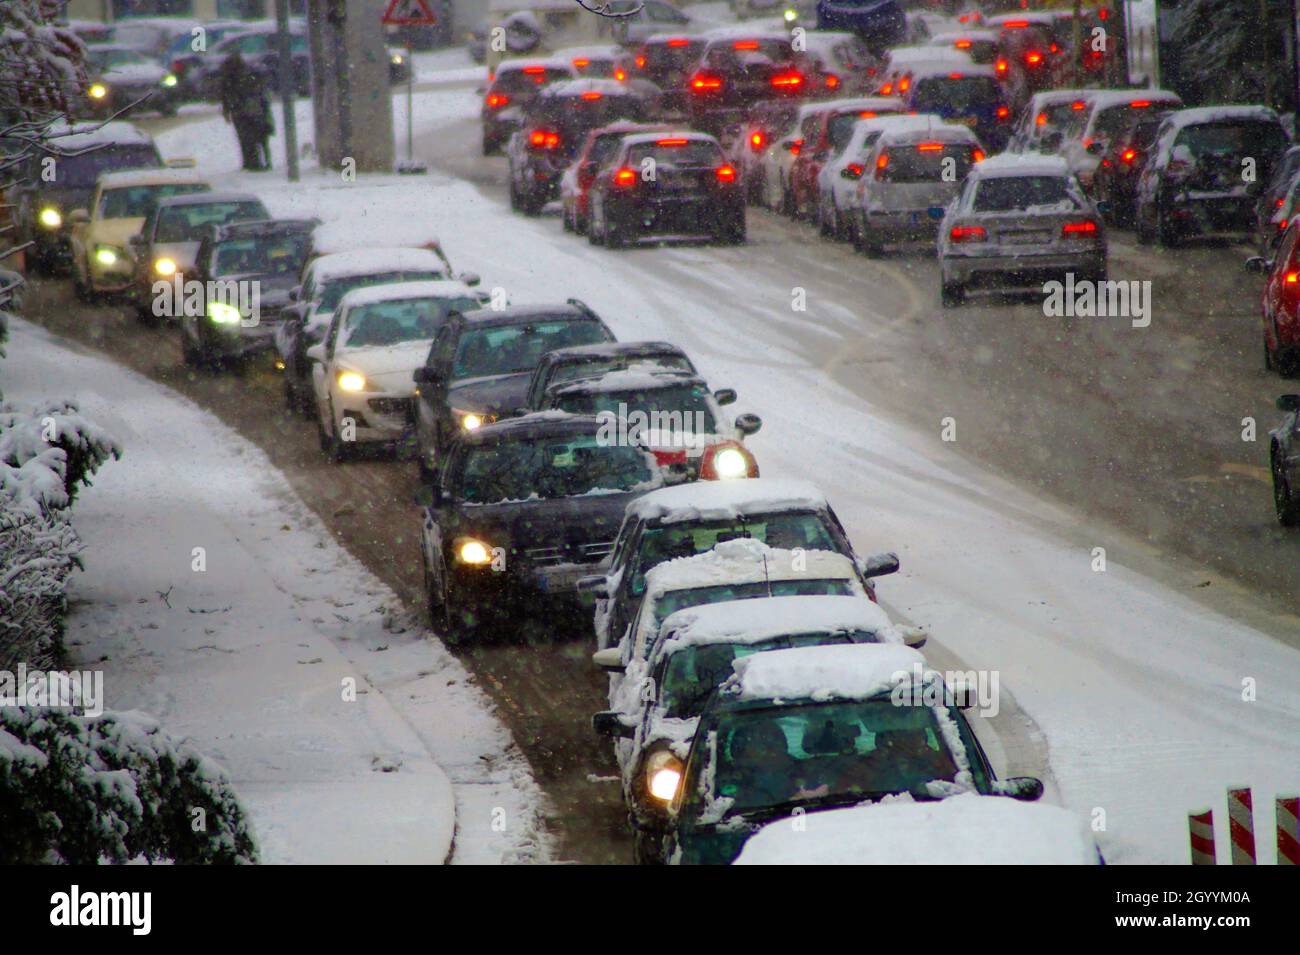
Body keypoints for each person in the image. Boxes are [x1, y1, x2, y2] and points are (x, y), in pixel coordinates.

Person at [218, 53, 274, 172]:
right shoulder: (249, 75)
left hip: (241, 111)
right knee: (258, 138)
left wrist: (227, 111)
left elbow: (225, 96)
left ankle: (250, 162)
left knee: (246, 138)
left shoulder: (229, 78)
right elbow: (260, 95)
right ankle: (258, 162)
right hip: (253, 111)